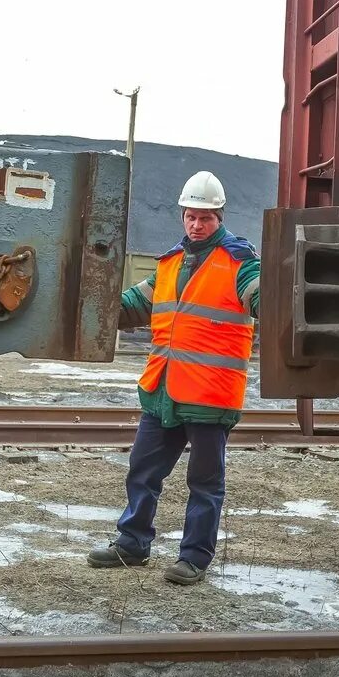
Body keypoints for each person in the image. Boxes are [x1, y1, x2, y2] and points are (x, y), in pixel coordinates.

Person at [87, 171, 260, 585]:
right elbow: (131, 304)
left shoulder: (240, 262)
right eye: (190, 216)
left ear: (219, 217)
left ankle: (194, 557)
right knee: (142, 471)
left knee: (204, 482)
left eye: (205, 217)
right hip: (162, 390)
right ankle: (132, 543)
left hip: (209, 395)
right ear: (182, 216)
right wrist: (93, 301)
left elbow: (259, 295)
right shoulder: (169, 264)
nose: (196, 224)